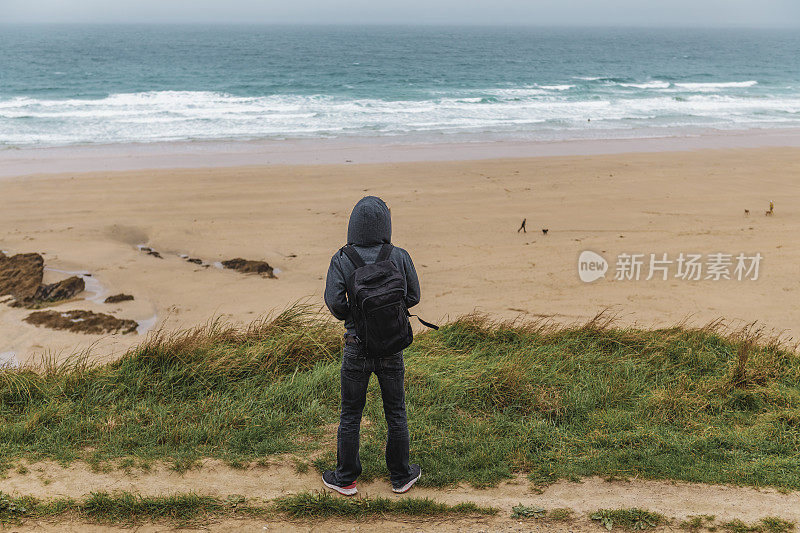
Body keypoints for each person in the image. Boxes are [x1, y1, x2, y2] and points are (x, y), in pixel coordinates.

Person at [322, 196, 422, 496]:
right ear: (385, 225)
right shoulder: (399, 256)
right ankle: (401, 476)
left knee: (351, 414)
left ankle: (346, 479)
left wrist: (361, 314)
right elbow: (413, 296)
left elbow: (336, 306)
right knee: (396, 413)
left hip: (356, 347)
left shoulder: (341, 258)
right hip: (392, 347)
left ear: (352, 225)